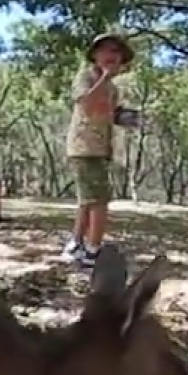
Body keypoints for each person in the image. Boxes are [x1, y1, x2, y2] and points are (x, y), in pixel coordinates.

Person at [61, 33, 140, 267]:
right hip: (84, 147)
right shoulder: (86, 77)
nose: (111, 56)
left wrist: (127, 117)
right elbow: (84, 102)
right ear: (95, 55)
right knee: (99, 201)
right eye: (105, 51)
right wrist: (105, 78)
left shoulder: (113, 89)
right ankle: (93, 251)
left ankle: (75, 244)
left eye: (116, 52)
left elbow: (110, 113)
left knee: (87, 200)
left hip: (101, 147)